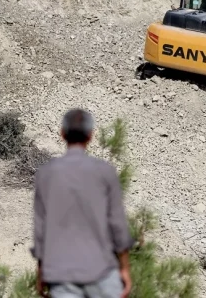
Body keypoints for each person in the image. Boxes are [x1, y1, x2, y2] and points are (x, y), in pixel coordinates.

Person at [31, 109, 134, 298]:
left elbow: (41, 230)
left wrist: (41, 271)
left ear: (62, 134)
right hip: (102, 271)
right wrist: (125, 268)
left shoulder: (45, 174)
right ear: (90, 135)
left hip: (62, 275)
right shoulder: (106, 172)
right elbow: (118, 224)